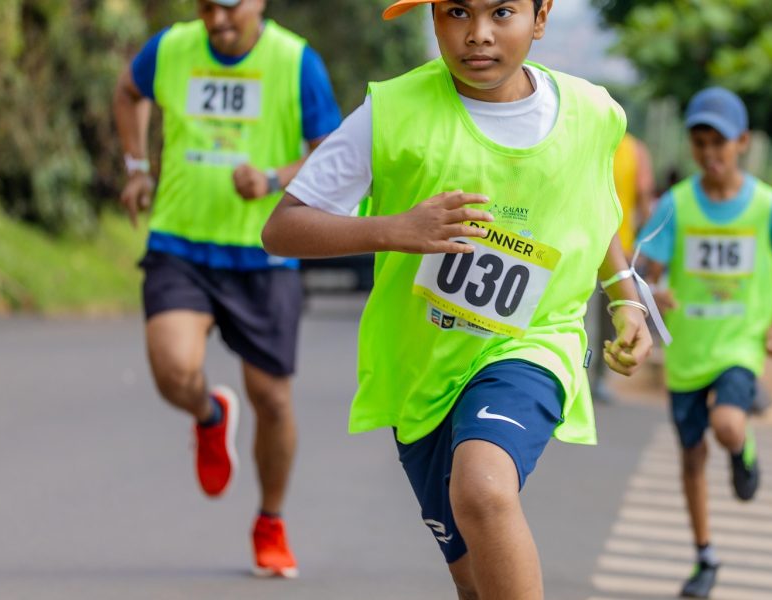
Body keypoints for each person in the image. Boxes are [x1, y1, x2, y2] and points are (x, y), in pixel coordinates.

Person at [260, 0, 654, 595]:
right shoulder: (391, 113)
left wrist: (626, 299)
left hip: (531, 344)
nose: (478, 35)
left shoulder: (593, 114)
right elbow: (282, 229)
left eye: (502, 12)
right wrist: (395, 230)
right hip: (424, 372)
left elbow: (594, 212)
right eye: (456, 13)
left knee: (483, 489)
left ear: (541, 16)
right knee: (474, 583)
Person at [112, 0, 342, 578]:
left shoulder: (295, 62)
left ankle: (270, 522)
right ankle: (208, 414)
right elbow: (127, 91)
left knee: (272, 400)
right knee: (171, 368)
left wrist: (271, 179)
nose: (217, 18)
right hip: (180, 244)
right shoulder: (171, 48)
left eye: (230, 5)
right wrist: (137, 167)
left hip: (265, 252)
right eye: (207, 4)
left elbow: (330, 151)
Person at [636, 87, 772, 598]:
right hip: (687, 348)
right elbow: (648, 270)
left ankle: (741, 446)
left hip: (739, 342)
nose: (710, 154)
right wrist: (653, 294)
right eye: (700, 143)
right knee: (690, 459)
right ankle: (704, 555)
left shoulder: (769, 204)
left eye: (720, 144)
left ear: (743, 142)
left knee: (727, 424)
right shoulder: (677, 204)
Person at [588, 132, 657, 402]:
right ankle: (592, 377)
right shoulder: (632, 147)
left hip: (614, 248)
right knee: (603, 316)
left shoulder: (630, 148)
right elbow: (645, 199)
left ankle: (596, 377)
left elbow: (643, 198)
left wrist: (645, 248)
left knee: (600, 317)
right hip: (609, 247)